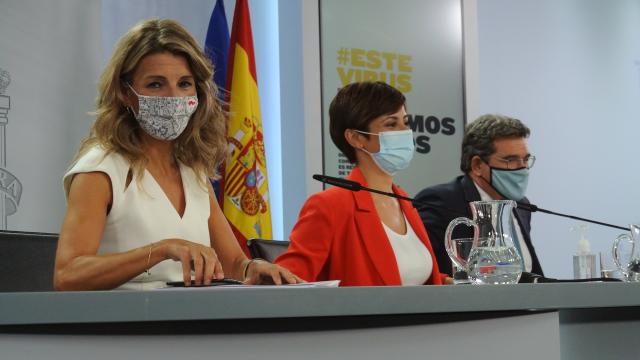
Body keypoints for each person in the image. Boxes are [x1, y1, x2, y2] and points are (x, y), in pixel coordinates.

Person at [53, 19, 301, 291]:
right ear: (126, 93)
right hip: (124, 329)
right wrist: (160, 251)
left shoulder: (193, 172)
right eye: (156, 84)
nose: (173, 96)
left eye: (184, 84)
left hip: (189, 325)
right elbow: (68, 275)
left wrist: (254, 268)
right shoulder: (99, 169)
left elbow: (232, 262)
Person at [276, 81, 451, 286]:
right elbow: (288, 281)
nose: (405, 132)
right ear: (356, 138)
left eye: (406, 122)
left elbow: (406, 274)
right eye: (391, 124)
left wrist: (452, 282)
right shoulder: (329, 205)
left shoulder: (403, 201)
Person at [414, 114, 544, 276]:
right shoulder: (441, 202)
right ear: (477, 165)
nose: (522, 168)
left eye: (525, 159)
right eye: (511, 160)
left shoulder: (522, 205)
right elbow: (422, 271)